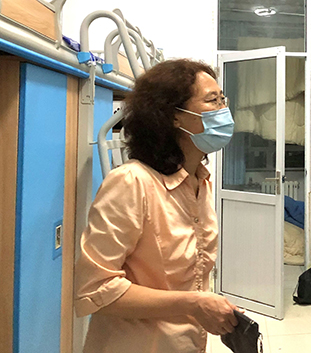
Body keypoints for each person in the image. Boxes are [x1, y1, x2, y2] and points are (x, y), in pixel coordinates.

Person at [75, 59, 239, 353]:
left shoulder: (200, 182)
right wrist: (194, 304)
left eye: (223, 99)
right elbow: (96, 288)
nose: (223, 110)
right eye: (212, 100)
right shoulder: (131, 183)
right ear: (174, 117)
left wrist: (204, 306)